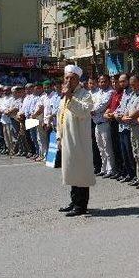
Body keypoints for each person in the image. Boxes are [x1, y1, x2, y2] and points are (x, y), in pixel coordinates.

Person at [57, 65, 95, 217]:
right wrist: (59, 137)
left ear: (78, 79)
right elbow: (60, 118)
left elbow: (83, 111)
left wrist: (70, 97)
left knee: (81, 172)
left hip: (79, 140)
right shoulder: (64, 96)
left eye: (72, 78)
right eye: (66, 77)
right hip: (67, 139)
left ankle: (81, 205)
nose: (69, 80)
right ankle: (73, 201)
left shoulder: (85, 94)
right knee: (71, 171)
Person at [91, 75, 114, 177]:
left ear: (108, 82)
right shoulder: (98, 93)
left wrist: (93, 111)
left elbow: (103, 105)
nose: (102, 83)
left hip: (105, 123)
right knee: (100, 148)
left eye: (104, 81)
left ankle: (111, 169)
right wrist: (91, 110)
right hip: (97, 123)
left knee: (107, 147)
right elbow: (92, 103)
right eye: (100, 81)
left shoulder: (110, 92)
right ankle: (103, 168)